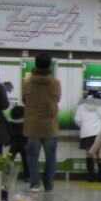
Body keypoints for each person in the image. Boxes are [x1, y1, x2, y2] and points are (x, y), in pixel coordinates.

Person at [22, 52, 61, 193]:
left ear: (35, 63)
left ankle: (34, 184)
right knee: (51, 156)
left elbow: (24, 101)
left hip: (32, 125)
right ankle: (49, 185)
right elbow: (57, 100)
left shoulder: (27, 82)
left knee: (32, 155)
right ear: (49, 64)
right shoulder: (55, 83)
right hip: (50, 125)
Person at [74, 90, 101, 182]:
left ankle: (91, 176)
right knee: (99, 154)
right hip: (99, 133)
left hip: (86, 132)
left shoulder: (81, 107)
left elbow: (77, 120)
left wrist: (84, 126)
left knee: (89, 154)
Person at [7, 105, 29, 181]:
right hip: (24, 144)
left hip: (13, 144)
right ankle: (27, 176)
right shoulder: (26, 123)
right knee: (26, 161)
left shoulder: (10, 123)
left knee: (9, 159)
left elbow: (9, 133)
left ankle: (6, 174)